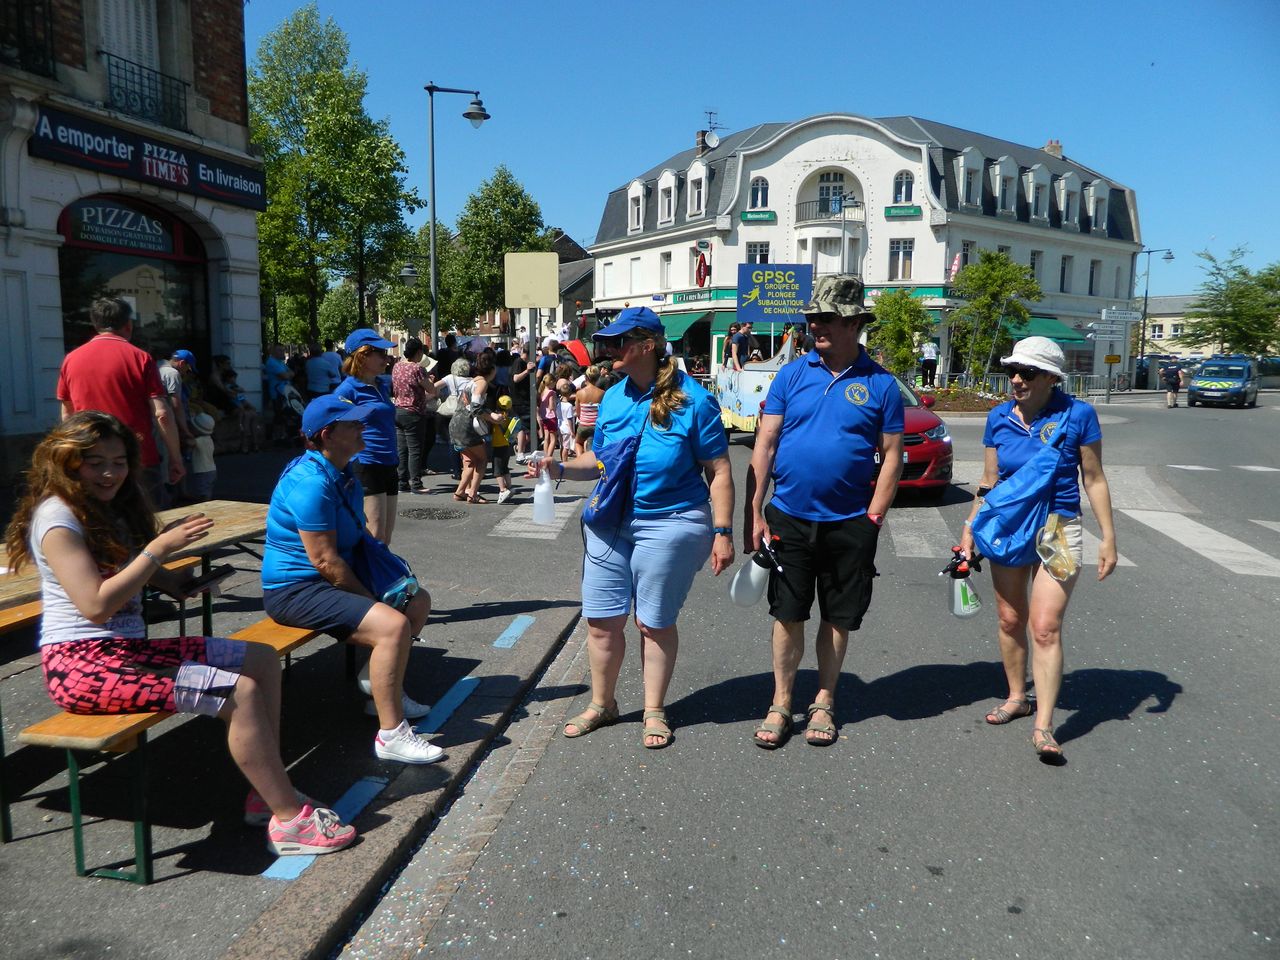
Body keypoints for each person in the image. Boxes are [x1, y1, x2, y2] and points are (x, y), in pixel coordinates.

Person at [3, 411, 356, 854]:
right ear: (66, 461)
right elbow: (95, 605)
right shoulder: (57, 521)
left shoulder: (100, 507)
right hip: (82, 667)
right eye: (95, 463)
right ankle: (289, 822)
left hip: (126, 653)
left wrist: (179, 583)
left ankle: (266, 794)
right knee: (236, 692)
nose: (110, 472)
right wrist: (156, 551)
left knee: (262, 658)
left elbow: (130, 572)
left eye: (118, 460)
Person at [529, 307, 735, 749]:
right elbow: (600, 463)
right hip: (611, 522)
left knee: (653, 623)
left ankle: (654, 710)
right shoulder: (614, 397)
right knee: (601, 621)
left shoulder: (694, 400)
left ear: (647, 345)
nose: (609, 349)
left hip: (671, 520)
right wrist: (559, 465)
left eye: (619, 342)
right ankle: (603, 704)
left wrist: (723, 532)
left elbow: (719, 470)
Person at [747, 275, 904, 749]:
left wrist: (874, 517)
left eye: (828, 318)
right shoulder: (792, 374)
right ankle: (780, 702)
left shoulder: (880, 384)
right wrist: (755, 512)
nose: (816, 325)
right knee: (787, 612)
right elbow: (766, 442)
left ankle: (824, 700)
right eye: (813, 317)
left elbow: (893, 453)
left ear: (855, 323)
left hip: (849, 522)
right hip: (789, 516)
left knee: (837, 617)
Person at [960, 336, 1117, 763]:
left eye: (1027, 373)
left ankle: (1043, 724)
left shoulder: (1078, 414)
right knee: (1011, 618)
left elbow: (1095, 478)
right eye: (1012, 370)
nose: (1016, 379)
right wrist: (970, 531)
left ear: (1051, 377)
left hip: (1058, 528)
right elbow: (989, 482)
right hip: (1010, 526)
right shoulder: (998, 418)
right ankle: (1017, 697)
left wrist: (1108, 537)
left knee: (1044, 626)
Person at [261, 396, 442, 764]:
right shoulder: (310, 484)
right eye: (353, 425)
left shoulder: (343, 471)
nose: (363, 429)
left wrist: (389, 579)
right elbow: (325, 562)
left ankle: (378, 686)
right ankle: (392, 735)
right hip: (294, 589)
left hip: (328, 578)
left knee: (416, 600)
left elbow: (354, 540)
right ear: (328, 435)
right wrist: (371, 600)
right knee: (391, 626)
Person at [57, 297, 184, 501]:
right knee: (147, 526)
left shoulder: (71, 360)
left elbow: (67, 415)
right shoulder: (140, 358)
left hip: (91, 458)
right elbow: (162, 414)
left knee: (100, 524)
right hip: (137, 458)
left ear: (95, 324)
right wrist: (175, 458)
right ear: (128, 325)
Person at [334, 329, 400, 545]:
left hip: (389, 462)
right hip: (366, 464)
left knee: (385, 538)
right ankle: (365, 579)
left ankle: (379, 578)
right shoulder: (348, 390)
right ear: (362, 356)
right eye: (379, 353)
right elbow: (335, 431)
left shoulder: (380, 385)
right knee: (374, 536)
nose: (386, 357)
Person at [449, 352, 504, 503]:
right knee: (482, 460)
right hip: (467, 426)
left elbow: (473, 406)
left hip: (455, 424)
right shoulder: (482, 383)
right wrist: (493, 418)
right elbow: (475, 409)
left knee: (470, 461)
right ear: (492, 369)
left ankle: (460, 492)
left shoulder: (472, 381)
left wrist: (490, 413)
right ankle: (472, 493)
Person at [392, 338, 437, 495]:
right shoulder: (417, 369)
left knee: (402, 449)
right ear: (418, 352)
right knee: (415, 449)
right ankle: (416, 484)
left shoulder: (396, 367)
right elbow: (432, 390)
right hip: (414, 412)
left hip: (398, 410)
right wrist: (430, 380)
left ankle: (402, 481)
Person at [509, 345, 536, 462]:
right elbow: (515, 378)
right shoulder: (519, 362)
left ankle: (519, 448)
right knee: (523, 428)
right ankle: (520, 453)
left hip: (524, 400)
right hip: (519, 401)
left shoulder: (522, 362)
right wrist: (527, 371)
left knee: (527, 429)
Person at [574, 365, 604, 456]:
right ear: (598, 378)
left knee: (578, 443)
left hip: (584, 425)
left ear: (586, 377)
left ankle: (580, 460)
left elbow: (578, 412)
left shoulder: (579, 393)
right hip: (596, 425)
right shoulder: (602, 393)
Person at [491, 394, 516, 504]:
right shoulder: (509, 416)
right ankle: (510, 487)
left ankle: (503, 489)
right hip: (506, 445)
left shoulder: (497, 416)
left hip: (497, 445)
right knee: (505, 467)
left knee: (497, 470)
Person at [188, 412, 217, 502]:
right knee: (208, 489)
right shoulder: (209, 439)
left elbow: (190, 442)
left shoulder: (201, 440)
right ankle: (207, 501)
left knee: (202, 491)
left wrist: (186, 435)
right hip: (212, 469)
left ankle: (204, 503)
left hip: (203, 471)